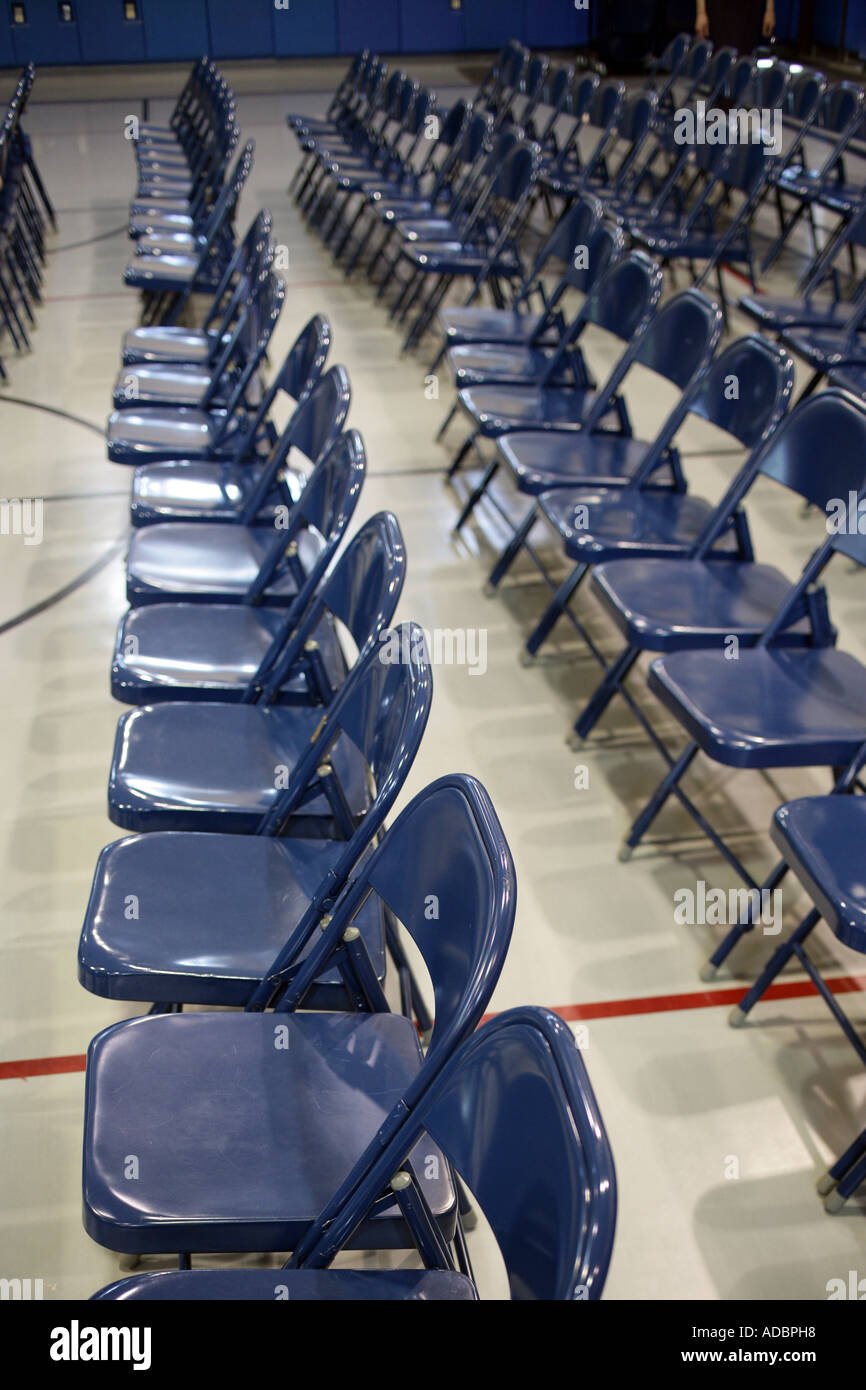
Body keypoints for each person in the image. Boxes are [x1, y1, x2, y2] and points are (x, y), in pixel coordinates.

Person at [695, 0, 775, 52]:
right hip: (720, 10)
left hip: (750, 11)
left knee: (745, 55)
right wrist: (701, 12)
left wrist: (770, 10)